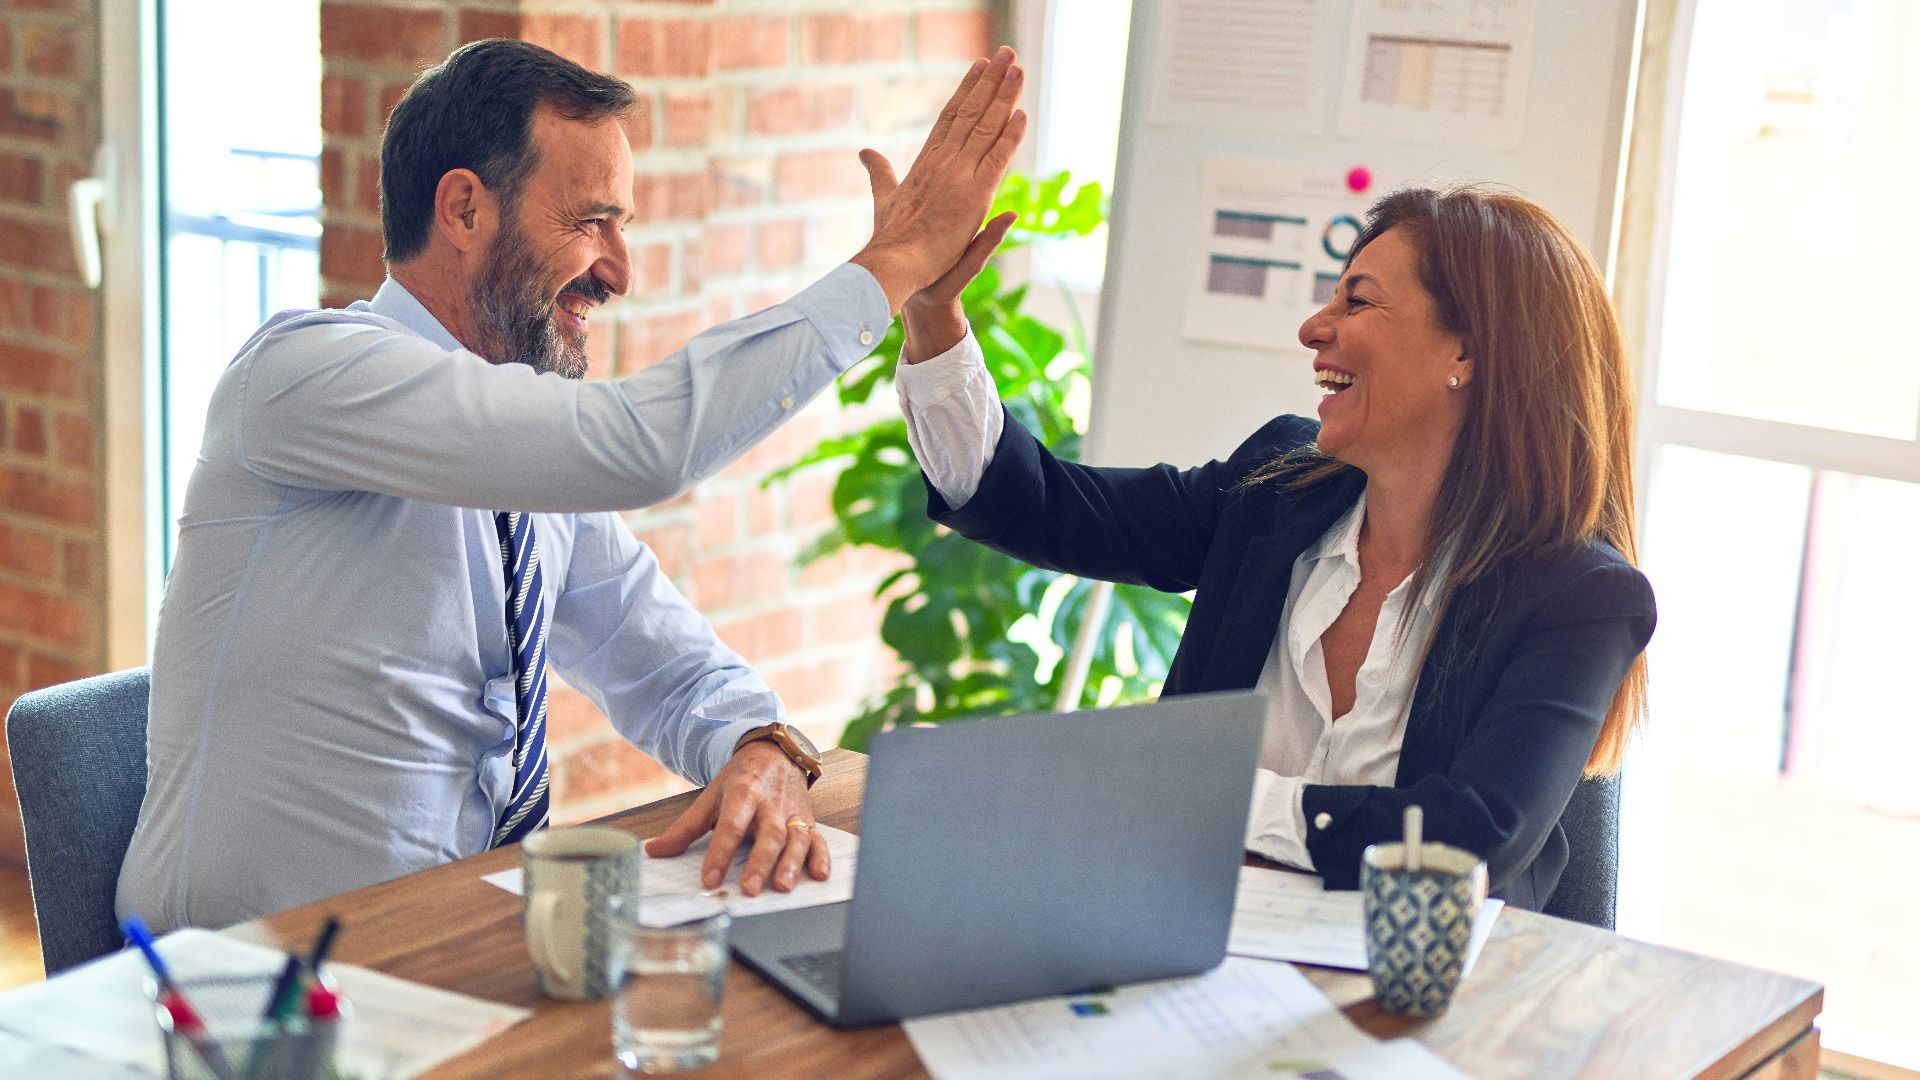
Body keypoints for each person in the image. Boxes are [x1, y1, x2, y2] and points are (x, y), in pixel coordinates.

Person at [118, 39, 1026, 931]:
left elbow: (664, 661)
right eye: (592, 221)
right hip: (248, 990)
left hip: (452, 948)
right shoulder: (306, 376)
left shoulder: (524, 464)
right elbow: (643, 446)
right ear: (465, 210)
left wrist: (762, 745)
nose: (619, 272)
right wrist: (893, 265)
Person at [894, 185, 1655, 908]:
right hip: (1194, 947)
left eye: (1356, 300)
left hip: (1430, 1004)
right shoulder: (1277, 491)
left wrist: (1208, 795)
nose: (1314, 328)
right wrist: (934, 315)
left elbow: (1465, 842)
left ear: (1467, 353)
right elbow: (1039, 504)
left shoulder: (1580, 597)